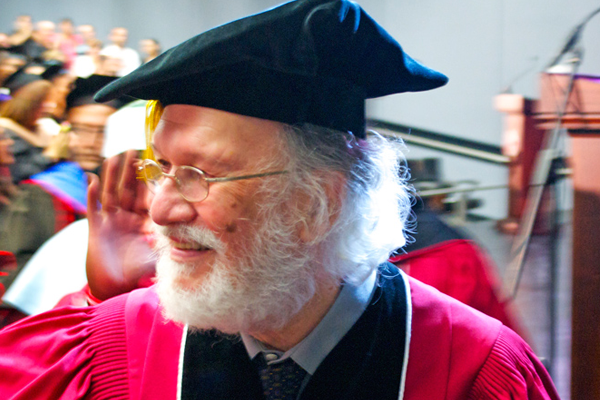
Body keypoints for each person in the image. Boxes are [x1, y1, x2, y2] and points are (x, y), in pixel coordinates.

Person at [0, 1, 559, 399]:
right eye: (162, 168)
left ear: (315, 204)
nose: (162, 210)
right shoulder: (115, 345)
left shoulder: (472, 369)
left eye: (201, 174)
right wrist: (102, 303)